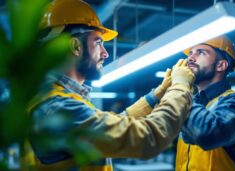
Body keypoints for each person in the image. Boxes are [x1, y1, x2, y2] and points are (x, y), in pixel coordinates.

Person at [28, 0, 195, 170]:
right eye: (98, 42)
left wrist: (156, 95)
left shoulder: (55, 100)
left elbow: (114, 126)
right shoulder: (59, 108)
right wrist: (181, 85)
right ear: (76, 46)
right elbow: (148, 138)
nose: (105, 53)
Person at [175, 36, 235, 171]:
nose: (190, 58)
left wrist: (180, 88)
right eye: (191, 53)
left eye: (201, 52)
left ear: (221, 65)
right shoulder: (192, 103)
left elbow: (207, 134)